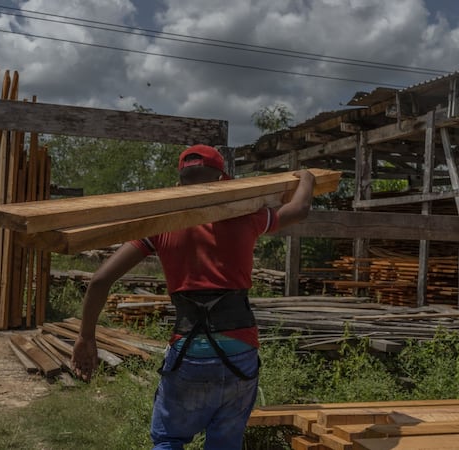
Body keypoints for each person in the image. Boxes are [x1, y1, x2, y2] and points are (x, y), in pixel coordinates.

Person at [71, 144, 315, 449]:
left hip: (189, 352)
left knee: (169, 440)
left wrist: (86, 337)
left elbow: (100, 280)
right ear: (223, 180)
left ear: (178, 185)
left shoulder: (160, 226)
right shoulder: (246, 217)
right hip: (239, 350)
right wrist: (306, 176)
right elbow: (300, 209)